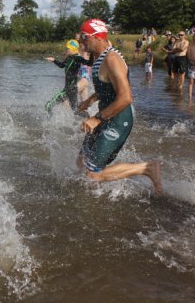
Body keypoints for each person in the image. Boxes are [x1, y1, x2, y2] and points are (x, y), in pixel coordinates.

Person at [76, 19, 162, 194]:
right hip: (106, 116)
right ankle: (96, 196)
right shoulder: (98, 57)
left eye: (84, 37)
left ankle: (148, 168)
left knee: (92, 174)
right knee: (81, 161)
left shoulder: (112, 59)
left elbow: (126, 97)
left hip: (119, 119)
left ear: (98, 37)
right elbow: (107, 87)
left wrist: (96, 119)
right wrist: (90, 100)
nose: (81, 41)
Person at [44, 39, 91, 116]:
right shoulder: (69, 58)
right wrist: (54, 60)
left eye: (68, 48)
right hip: (71, 88)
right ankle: (86, 117)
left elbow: (89, 63)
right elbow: (61, 65)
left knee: (49, 104)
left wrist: (92, 53)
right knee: (75, 111)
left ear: (73, 49)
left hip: (70, 88)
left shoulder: (78, 58)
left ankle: (49, 119)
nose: (66, 50)